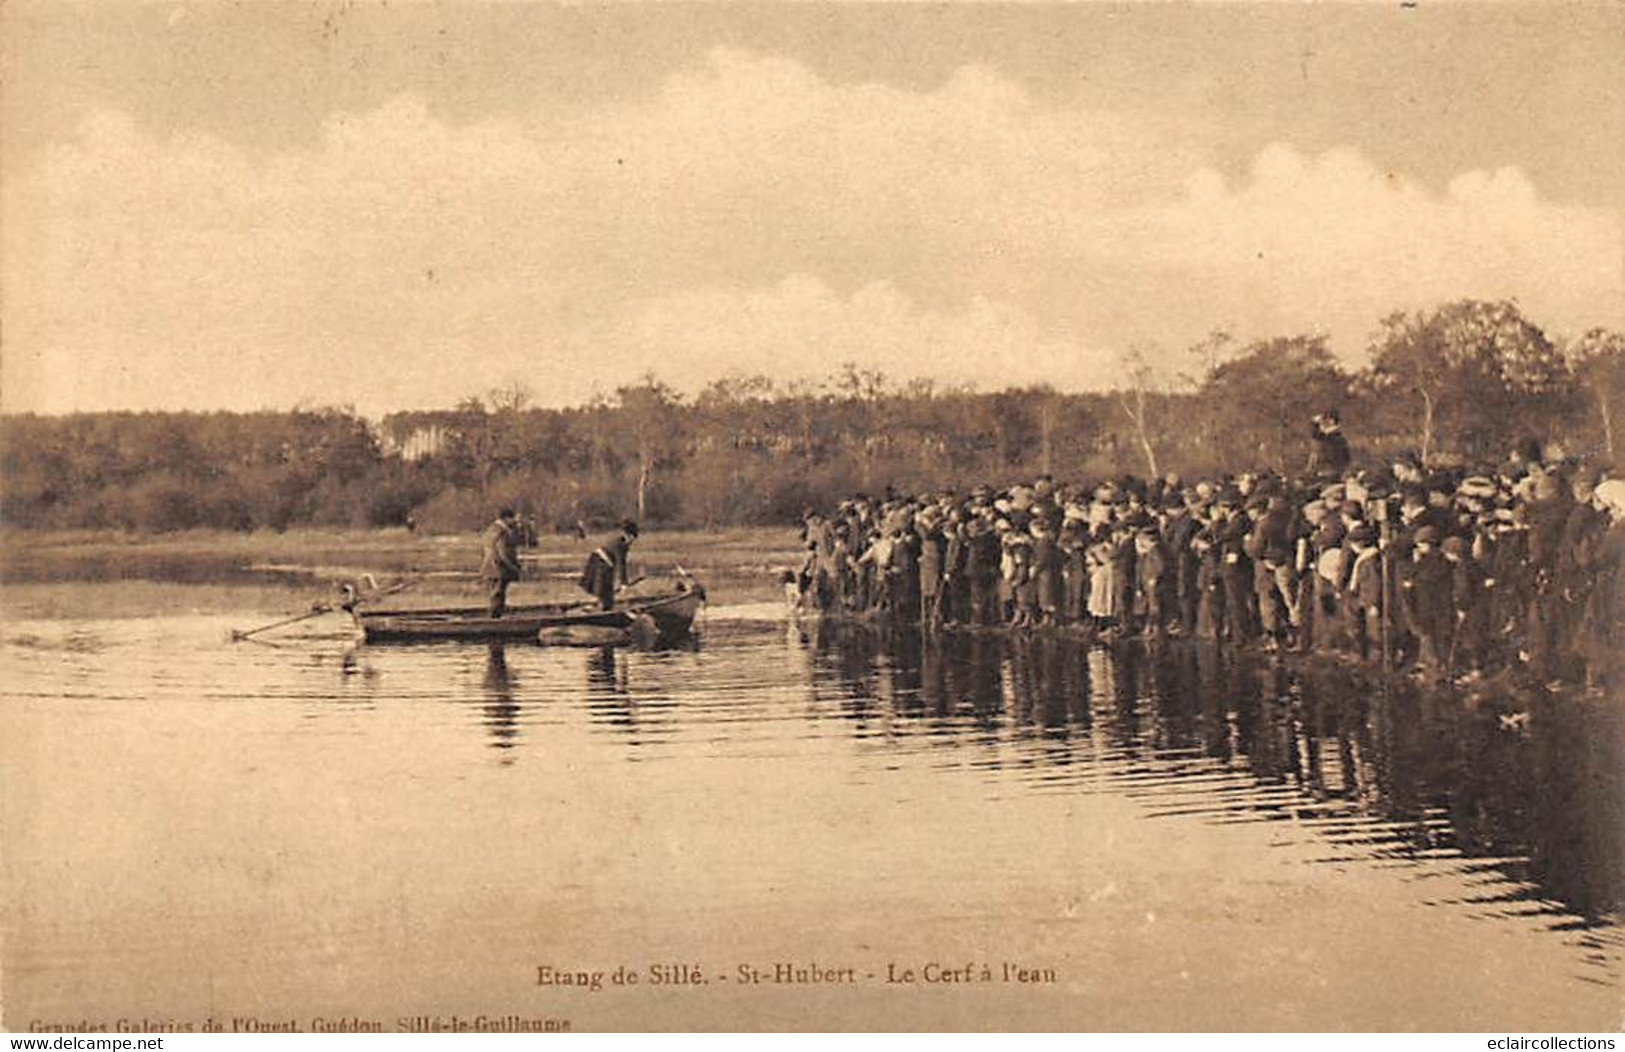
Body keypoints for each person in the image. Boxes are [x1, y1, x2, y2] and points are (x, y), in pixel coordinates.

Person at [580, 519, 638, 610]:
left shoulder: (620, 541)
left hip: (600, 561)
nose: (632, 542)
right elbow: (621, 563)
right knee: (604, 590)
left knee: (606, 592)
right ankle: (600, 608)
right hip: (600, 562)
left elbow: (620, 563)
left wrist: (623, 582)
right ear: (629, 535)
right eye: (632, 538)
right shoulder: (621, 543)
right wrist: (623, 583)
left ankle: (602, 606)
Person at [479, 507, 522, 618]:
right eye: (512, 519)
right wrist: (515, 567)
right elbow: (503, 553)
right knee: (498, 595)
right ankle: (495, 620)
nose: (514, 522)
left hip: (488, 568)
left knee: (494, 594)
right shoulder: (502, 532)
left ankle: (494, 618)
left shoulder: (490, 530)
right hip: (499, 569)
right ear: (506, 518)